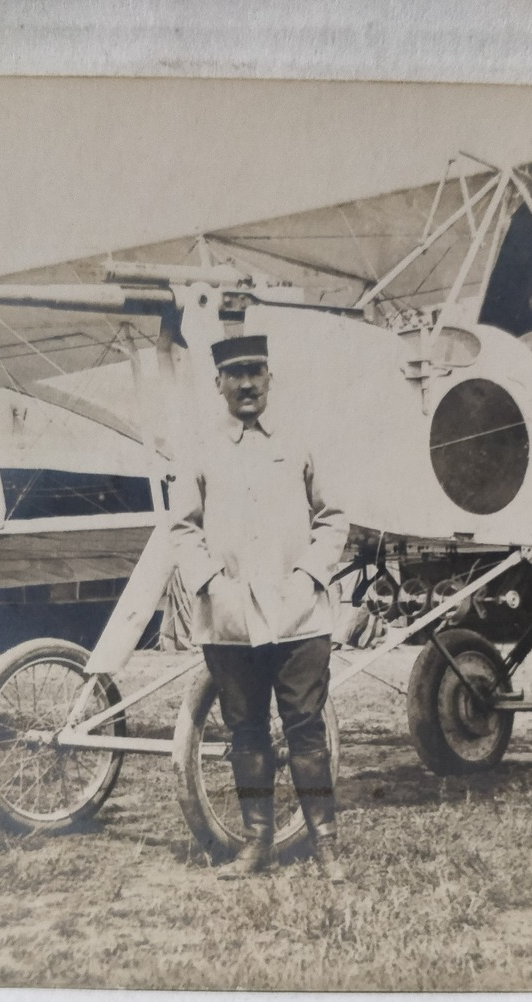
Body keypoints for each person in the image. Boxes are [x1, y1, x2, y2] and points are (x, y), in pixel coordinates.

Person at [169, 334, 351, 882]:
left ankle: (326, 846)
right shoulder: (200, 447)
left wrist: (308, 577)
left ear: (270, 377)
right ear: (217, 383)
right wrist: (211, 584)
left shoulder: (302, 441)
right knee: (244, 731)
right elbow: (181, 528)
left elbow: (334, 517)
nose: (246, 383)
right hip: (229, 620)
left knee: (306, 729)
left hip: (299, 615)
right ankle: (256, 845)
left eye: (255, 371)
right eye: (234, 374)